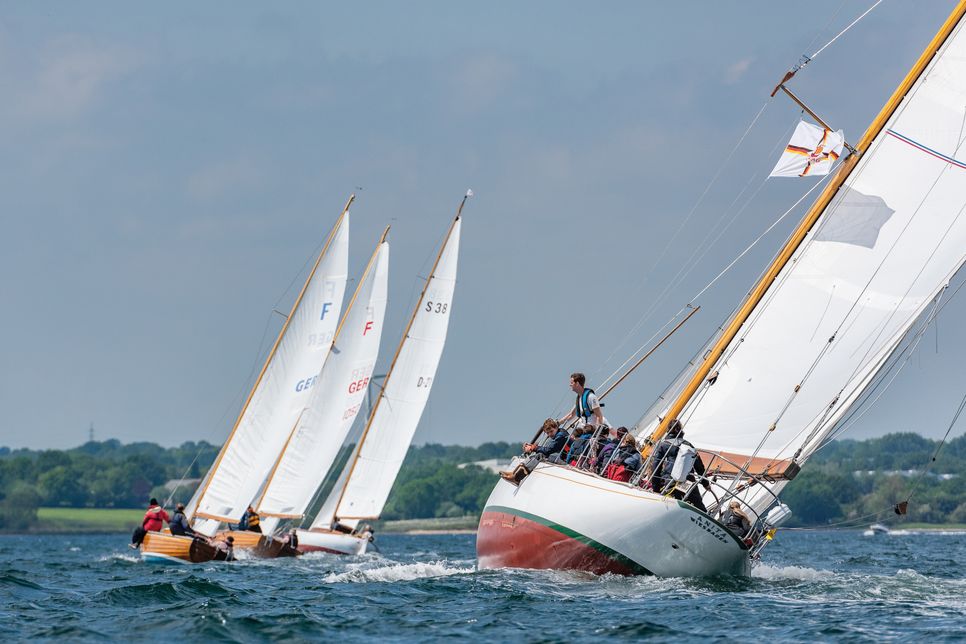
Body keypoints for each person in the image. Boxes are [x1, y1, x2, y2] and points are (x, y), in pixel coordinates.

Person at [500, 419, 567, 485]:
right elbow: (549, 448)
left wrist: (533, 448)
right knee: (538, 454)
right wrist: (532, 446)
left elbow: (548, 450)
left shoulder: (560, 436)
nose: (550, 434)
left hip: (565, 460)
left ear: (556, 427)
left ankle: (517, 479)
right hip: (562, 457)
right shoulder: (559, 432)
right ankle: (514, 473)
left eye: (551, 431)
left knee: (540, 455)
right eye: (547, 433)